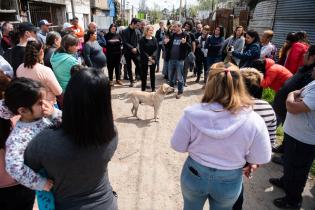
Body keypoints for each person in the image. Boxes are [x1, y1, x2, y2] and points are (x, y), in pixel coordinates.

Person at [171, 62, 271, 210]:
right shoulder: (254, 120)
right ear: (240, 84)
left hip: (194, 174)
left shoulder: (192, 113)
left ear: (210, 83)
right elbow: (262, 157)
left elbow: (177, 145)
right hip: (229, 180)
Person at [24, 68, 118, 210]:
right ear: (105, 102)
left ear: (69, 98)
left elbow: (28, 166)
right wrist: (54, 113)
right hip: (106, 203)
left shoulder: (45, 141)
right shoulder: (111, 133)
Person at [2, 78, 60, 209]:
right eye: (40, 103)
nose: (46, 104)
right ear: (23, 111)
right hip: (48, 186)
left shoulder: (46, 116)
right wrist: (40, 182)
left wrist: (54, 113)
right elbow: (13, 167)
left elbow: (69, 125)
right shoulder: (19, 136)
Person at [269, 66, 315, 209]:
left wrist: (291, 97)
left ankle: (293, 201)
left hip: (304, 139)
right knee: (289, 164)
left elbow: (292, 107)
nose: (313, 68)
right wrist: (294, 96)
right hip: (294, 134)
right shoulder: (313, 83)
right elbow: (295, 94)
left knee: (298, 171)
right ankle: (285, 182)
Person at [232, 68, 277, 210]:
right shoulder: (267, 108)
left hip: (227, 159)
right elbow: (269, 144)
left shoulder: (229, 104)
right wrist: (254, 164)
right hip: (245, 162)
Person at [271, 45, 315, 156]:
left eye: (307, 53)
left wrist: (290, 94)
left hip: (292, 111)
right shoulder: (304, 68)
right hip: (284, 106)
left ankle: (286, 155)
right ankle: (284, 148)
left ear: (312, 57)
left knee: (292, 143)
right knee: (287, 132)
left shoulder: (311, 74)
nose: (304, 55)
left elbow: (301, 96)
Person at [16, 40, 62, 105]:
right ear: (41, 51)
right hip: (46, 105)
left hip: (29, 105)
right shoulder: (45, 70)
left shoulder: (20, 68)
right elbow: (58, 91)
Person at [164, 21, 191, 99]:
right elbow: (168, 47)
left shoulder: (186, 35)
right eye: (173, 26)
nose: (173, 28)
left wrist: (185, 43)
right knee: (170, 76)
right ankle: (171, 89)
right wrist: (166, 43)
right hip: (171, 59)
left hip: (180, 60)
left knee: (179, 77)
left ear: (180, 27)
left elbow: (189, 48)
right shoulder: (173, 35)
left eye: (175, 27)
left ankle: (180, 91)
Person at [121, 18, 142, 87]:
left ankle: (139, 78)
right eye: (137, 25)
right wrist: (132, 48)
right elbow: (125, 42)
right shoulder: (124, 31)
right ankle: (131, 81)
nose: (138, 26)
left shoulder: (138, 31)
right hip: (127, 52)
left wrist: (136, 48)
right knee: (128, 67)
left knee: (139, 65)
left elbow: (140, 41)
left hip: (136, 52)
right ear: (132, 23)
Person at [139, 25, 158, 92]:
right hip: (144, 59)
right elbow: (142, 50)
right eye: (150, 30)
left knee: (152, 75)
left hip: (153, 59)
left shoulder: (154, 39)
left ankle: (153, 88)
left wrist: (152, 57)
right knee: (144, 75)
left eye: (152, 30)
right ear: (146, 31)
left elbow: (156, 49)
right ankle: (143, 89)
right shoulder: (142, 39)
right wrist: (148, 57)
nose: (151, 31)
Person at [182, 21, 195, 86]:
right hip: (180, 53)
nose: (186, 27)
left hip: (187, 53)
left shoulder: (191, 34)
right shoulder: (181, 32)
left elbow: (193, 43)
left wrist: (193, 52)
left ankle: (184, 81)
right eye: (186, 25)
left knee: (185, 68)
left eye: (188, 26)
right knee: (179, 68)